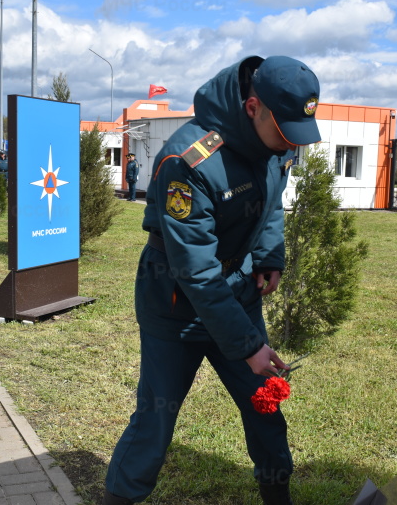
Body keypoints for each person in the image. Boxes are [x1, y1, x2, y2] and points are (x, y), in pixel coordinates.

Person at [103, 56, 321, 505]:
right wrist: (249, 348)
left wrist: (268, 257)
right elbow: (197, 272)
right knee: (155, 422)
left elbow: (272, 200)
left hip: (236, 294)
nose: (288, 147)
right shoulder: (188, 160)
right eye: (283, 134)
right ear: (253, 107)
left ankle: (277, 496)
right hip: (175, 307)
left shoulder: (272, 147)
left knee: (265, 405)